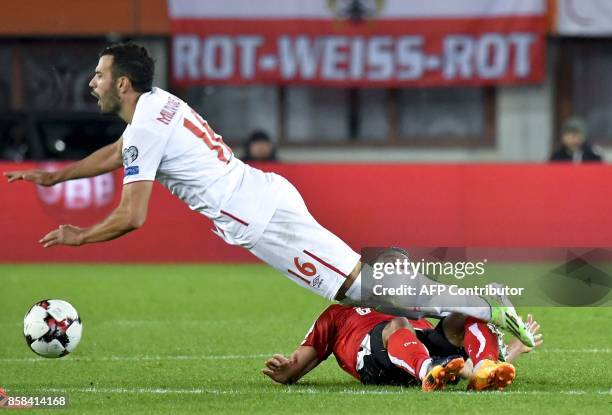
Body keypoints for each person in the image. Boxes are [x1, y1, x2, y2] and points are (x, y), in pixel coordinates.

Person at [3, 43, 534, 347]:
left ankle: (485, 304)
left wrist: (81, 236)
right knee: (358, 285)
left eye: (99, 75)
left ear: (122, 83)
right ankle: (465, 305)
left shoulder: (146, 126)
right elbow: (120, 152)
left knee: (361, 290)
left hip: (259, 218)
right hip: (264, 193)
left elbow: (132, 215)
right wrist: (56, 177)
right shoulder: (158, 104)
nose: (91, 83)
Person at [262, 304, 542, 391]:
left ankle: (484, 369)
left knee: (471, 312)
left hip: (423, 351)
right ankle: (431, 371)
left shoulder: (408, 300)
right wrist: (286, 369)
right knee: (398, 324)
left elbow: (457, 332)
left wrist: (513, 350)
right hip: (374, 360)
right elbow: (294, 370)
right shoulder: (337, 314)